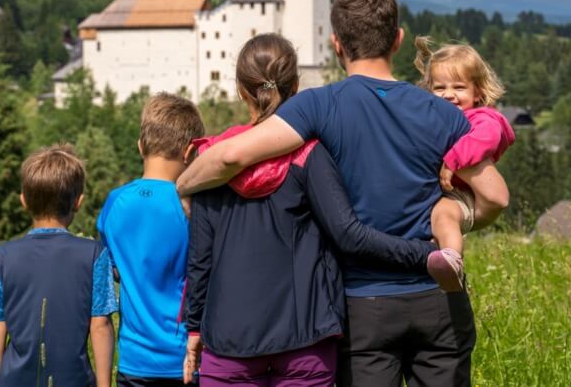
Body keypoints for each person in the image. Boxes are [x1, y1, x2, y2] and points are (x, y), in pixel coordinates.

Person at [177, 0, 509, 386]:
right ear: (399, 41)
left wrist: (185, 184)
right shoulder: (440, 112)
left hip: (364, 305)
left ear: (336, 44)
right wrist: (459, 216)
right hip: (439, 299)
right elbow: (494, 196)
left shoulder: (319, 105)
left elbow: (231, 157)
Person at [183, 33, 441, 387]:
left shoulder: (212, 162)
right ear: (297, 85)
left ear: (242, 91)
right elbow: (347, 233)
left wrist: (194, 328)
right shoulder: (312, 155)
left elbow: (200, 260)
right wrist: (424, 252)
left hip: (229, 340)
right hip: (307, 335)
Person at [0, 144, 117, 387]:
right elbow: (101, 325)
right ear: (78, 202)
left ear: (23, 201)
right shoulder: (95, 255)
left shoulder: (3, 256)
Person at [97, 93, 204, 387]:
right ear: (190, 152)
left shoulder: (115, 203)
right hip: (186, 359)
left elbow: (111, 268)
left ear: (140, 146)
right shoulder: (194, 209)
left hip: (135, 361)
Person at [415, 40, 516, 291]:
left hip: (461, 192)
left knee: (444, 215)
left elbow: (486, 139)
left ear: (478, 92)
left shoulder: (484, 119)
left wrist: (452, 160)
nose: (449, 94)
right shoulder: (431, 116)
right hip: (439, 189)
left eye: (459, 87)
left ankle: (451, 261)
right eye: (440, 87)